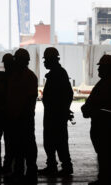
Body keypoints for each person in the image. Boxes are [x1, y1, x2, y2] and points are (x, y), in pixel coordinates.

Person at [81, 55, 111, 185]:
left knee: (106, 155)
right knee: (104, 154)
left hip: (105, 126)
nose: (98, 70)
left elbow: (101, 102)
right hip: (101, 124)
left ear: (108, 68)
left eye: (101, 67)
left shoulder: (110, 83)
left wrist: (88, 108)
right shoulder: (106, 82)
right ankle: (105, 179)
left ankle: (107, 180)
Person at [39, 47, 74, 177]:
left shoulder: (58, 74)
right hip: (53, 114)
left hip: (56, 115)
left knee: (59, 141)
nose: (44, 63)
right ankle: (52, 166)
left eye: (46, 60)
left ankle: (66, 166)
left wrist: (62, 110)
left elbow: (68, 94)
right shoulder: (56, 73)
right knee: (51, 141)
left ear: (51, 60)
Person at [5, 48, 38, 183]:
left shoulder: (29, 76)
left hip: (24, 117)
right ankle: (18, 172)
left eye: (17, 59)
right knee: (17, 146)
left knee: (28, 146)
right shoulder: (14, 76)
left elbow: (30, 98)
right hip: (15, 116)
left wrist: (22, 113)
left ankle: (30, 173)